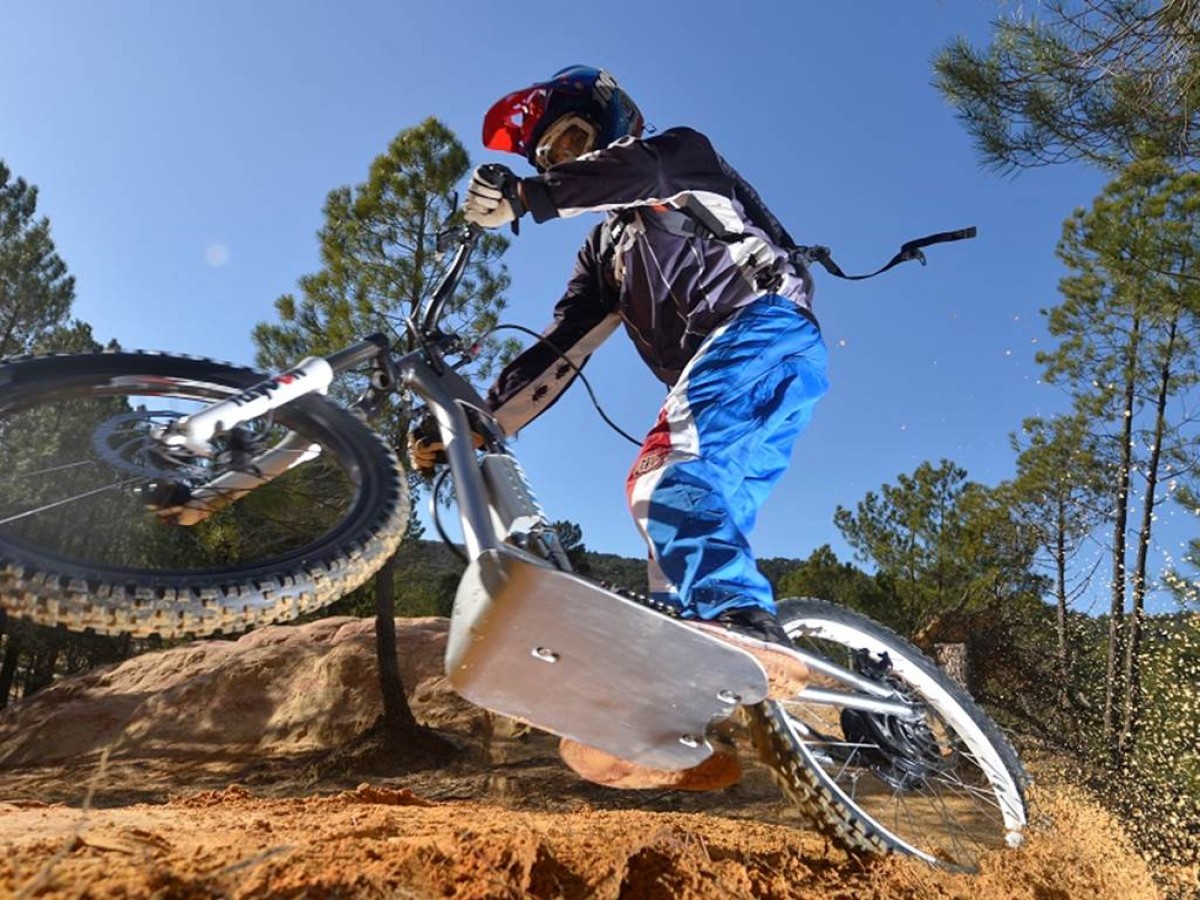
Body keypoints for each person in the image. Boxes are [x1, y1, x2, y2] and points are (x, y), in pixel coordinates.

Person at [411, 65, 828, 790]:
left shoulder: (678, 158)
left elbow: (638, 172)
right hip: (745, 380)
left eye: (569, 143)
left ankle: (749, 627)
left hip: (762, 328)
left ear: (607, 123)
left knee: (664, 478)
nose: (559, 164)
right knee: (672, 534)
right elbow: (559, 348)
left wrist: (531, 196)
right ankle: (689, 709)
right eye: (545, 161)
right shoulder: (605, 253)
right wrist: (477, 423)